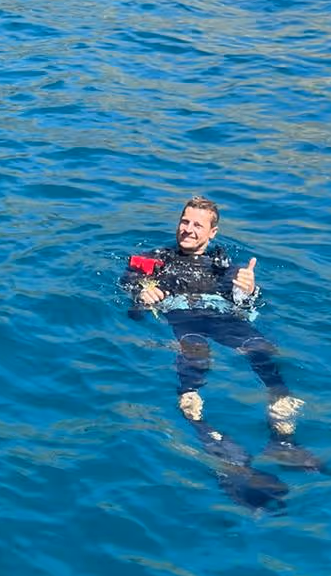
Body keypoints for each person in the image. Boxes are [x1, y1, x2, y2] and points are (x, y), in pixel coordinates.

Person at [123, 197, 319, 492]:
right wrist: (141, 296)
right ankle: (215, 444)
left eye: (197, 225)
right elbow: (132, 303)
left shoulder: (226, 268)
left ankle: (284, 443)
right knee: (196, 360)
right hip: (183, 322)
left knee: (260, 349)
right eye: (184, 221)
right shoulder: (155, 260)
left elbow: (246, 308)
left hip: (222, 319)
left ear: (212, 233)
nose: (188, 230)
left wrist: (248, 292)